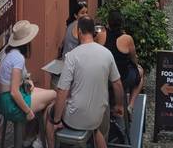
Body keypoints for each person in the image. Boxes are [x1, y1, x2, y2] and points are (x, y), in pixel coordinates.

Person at [47, 16, 124, 148]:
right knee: (94, 129)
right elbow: (117, 84)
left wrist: (57, 120)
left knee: (48, 113)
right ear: (93, 31)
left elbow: (62, 91)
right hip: (98, 116)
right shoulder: (106, 54)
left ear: (79, 31)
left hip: (76, 118)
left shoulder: (72, 56)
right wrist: (119, 105)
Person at [0, 20, 56, 144]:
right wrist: (28, 112)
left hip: (3, 100)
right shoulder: (18, 58)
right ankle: (40, 139)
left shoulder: (7, 53)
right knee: (53, 95)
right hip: (12, 103)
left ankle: (30, 137)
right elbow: (14, 92)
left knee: (43, 95)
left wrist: (27, 81)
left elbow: (12, 81)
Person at [99, 10, 144, 109]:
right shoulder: (127, 39)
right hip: (122, 77)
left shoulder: (101, 35)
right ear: (122, 23)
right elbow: (134, 59)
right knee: (140, 73)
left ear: (108, 22)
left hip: (104, 77)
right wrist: (137, 66)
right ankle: (131, 105)